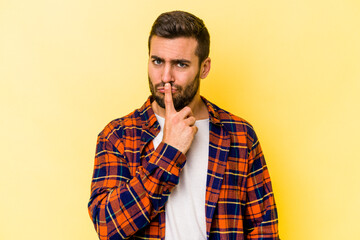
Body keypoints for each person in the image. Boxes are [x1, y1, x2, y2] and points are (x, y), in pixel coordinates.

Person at [88, 10, 279, 240]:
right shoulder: (118, 135)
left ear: (204, 68)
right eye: (157, 61)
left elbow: (264, 228)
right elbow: (108, 226)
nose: (165, 76)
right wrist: (169, 151)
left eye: (180, 64)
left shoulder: (239, 135)